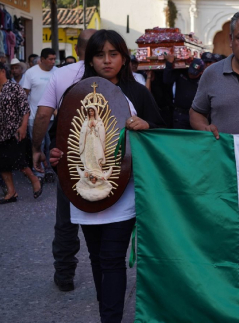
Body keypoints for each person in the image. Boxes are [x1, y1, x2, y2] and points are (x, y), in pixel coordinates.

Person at [47, 29, 164, 323]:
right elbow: (59, 138)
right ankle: (106, 312)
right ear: (90, 59)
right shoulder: (75, 94)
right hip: (83, 188)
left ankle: (109, 318)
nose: (107, 61)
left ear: (124, 59)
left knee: (112, 259)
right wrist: (56, 156)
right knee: (97, 258)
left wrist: (146, 125)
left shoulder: (137, 93)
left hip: (122, 191)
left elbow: (162, 131)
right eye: (100, 55)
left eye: (114, 54)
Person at [32, 29, 95, 292]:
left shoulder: (62, 74)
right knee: (105, 216)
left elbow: (44, 115)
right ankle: (105, 271)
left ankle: (65, 273)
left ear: (77, 50)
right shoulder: (113, 73)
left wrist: (36, 147)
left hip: (68, 157)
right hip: (108, 158)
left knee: (66, 218)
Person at [0, 62, 41, 204]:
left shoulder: (14, 88)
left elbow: (25, 109)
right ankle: (11, 192)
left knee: (19, 161)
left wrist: (23, 127)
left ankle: (35, 180)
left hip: (15, 132)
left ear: (2, 72)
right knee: (2, 164)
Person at [21, 48, 57, 180]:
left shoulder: (57, 72)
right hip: (34, 117)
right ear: (42, 59)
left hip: (52, 117)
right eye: (50, 59)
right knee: (38, 144)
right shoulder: (31, 73)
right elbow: (24, 95)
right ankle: (39, 173)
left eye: (54, 59)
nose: (53, 62)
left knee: (50, 144)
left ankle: (49, 170)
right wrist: (23, 116)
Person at [164, 54, 204, 129]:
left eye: (193, 73)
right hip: (180, 113)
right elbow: (166, 80)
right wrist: (169, 64)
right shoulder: (182, 72)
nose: (190, 75)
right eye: (190, 72)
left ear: (201, 72)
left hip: (196, 114)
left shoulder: (204, 79)